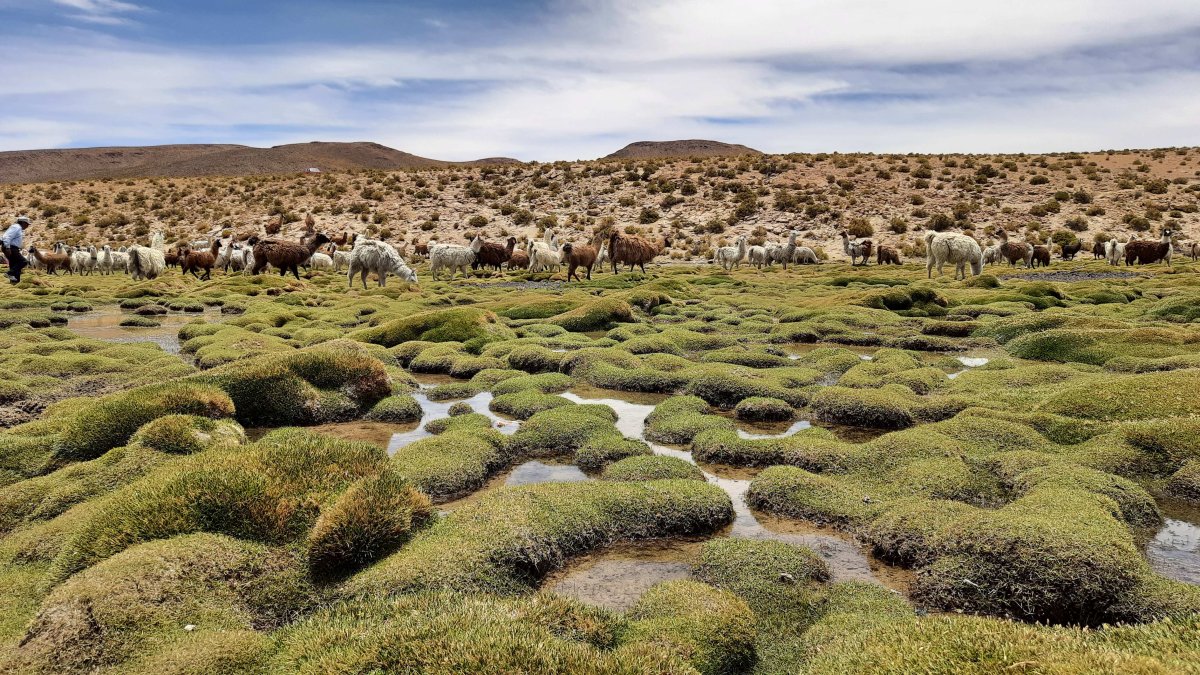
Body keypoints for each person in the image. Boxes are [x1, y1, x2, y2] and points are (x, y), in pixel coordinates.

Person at [2, 216, 31, 283]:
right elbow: (7, 237)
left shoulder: (17, 228)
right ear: (23, 223)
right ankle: (9, 273)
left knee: (14, 264)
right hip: (11, 248)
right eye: (27, 224)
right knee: (23, 262)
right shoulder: (16, 227)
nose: (27, 226)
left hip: (11, 248)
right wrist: (7, 247)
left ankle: (14, 282)